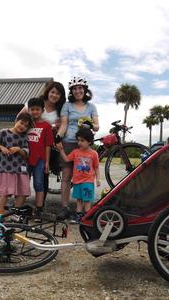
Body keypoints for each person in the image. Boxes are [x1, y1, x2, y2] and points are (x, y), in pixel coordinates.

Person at [55, 76, 99, 220]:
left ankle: (84, 210)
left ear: (85, 90)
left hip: (85, 145)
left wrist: (91, 125)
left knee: (85, 176)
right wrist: (58, 136)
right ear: (71, 91)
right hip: (69, 142)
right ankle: (65, 207)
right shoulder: (67, 105)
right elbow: (64, 124)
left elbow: (97, 126)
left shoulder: (91, 107)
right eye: (74, 89)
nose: (78, 91)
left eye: (80, 88)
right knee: (67, 177)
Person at [18, 81, 66, 199]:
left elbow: (64, 125)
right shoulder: (36, 102)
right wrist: (22, 131)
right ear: (47, 92)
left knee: (42, 177)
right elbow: (19, 118)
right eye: (52, 92)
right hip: (29, 143)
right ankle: (19, 205)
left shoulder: (61, 109)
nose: (54, 95)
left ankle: (40, 205)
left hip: (47, 146)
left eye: (58, 94)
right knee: (24, 175)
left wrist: (57, 131)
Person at [0, 113, 33, 215]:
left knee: (23, 191)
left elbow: (26, 153)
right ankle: (0, 214)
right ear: (16, 121)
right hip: (6, 168)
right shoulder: (4, 132)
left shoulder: (24, 137)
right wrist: (2, 147)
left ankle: (15, 213)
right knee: (5, 192)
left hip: (21, 169)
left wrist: (19, 149)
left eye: (26, 126)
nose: (22, 126)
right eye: (21, 123)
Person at [58, 128, 100, 223]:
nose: (79, 142)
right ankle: (78, 216)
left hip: (88, 181)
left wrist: (98, 179)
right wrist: (61, 150)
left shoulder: (94, 154)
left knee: (87, 200)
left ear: (89, 141)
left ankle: (87, 217)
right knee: (79, 200)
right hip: (77, 181)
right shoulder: (75, 152)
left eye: (82, 140)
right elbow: (67, 160)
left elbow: (96, 167)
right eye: (78, 140)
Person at [26, 97, 54, 217]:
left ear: (42, 110)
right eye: (32, 109)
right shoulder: (25, 123)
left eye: (37, 109)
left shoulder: (46, 126)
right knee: (23, 183)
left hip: (40, 160)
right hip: (25, 159)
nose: (35, 112)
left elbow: (48, 145)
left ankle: (38, 209)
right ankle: (19, 208)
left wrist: (47, 162)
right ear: (29, 110)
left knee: (38, 184)